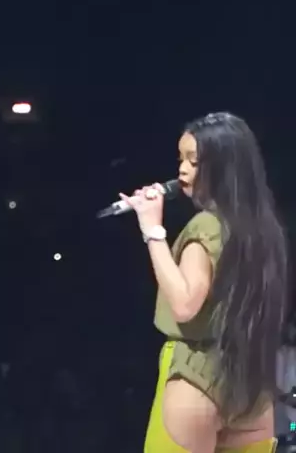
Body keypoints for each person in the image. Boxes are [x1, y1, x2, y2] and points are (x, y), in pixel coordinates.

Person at [120, 112, 287, 452]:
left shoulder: (207, 226)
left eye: (194, 162)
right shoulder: (266, 231)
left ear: (223, 168)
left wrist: (152, 231)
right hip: (252, 384)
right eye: (180, 159)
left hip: (197, 379)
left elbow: (185, 304)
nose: (182, 170)